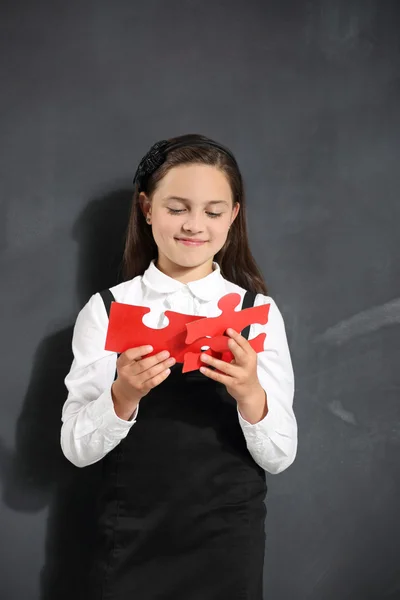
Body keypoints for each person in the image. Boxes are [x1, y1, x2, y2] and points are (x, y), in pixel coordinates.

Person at [61, 133, 297, 600]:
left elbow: (281, 456)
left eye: (212, 212)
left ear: (233, 216)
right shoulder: (107, 309)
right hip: (131, 532)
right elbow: (75, 449)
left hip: (227, 539)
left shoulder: (258, 312)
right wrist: (122, 395)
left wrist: (250, 392)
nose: (195, 225)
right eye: (177, 208)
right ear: (147, 209)